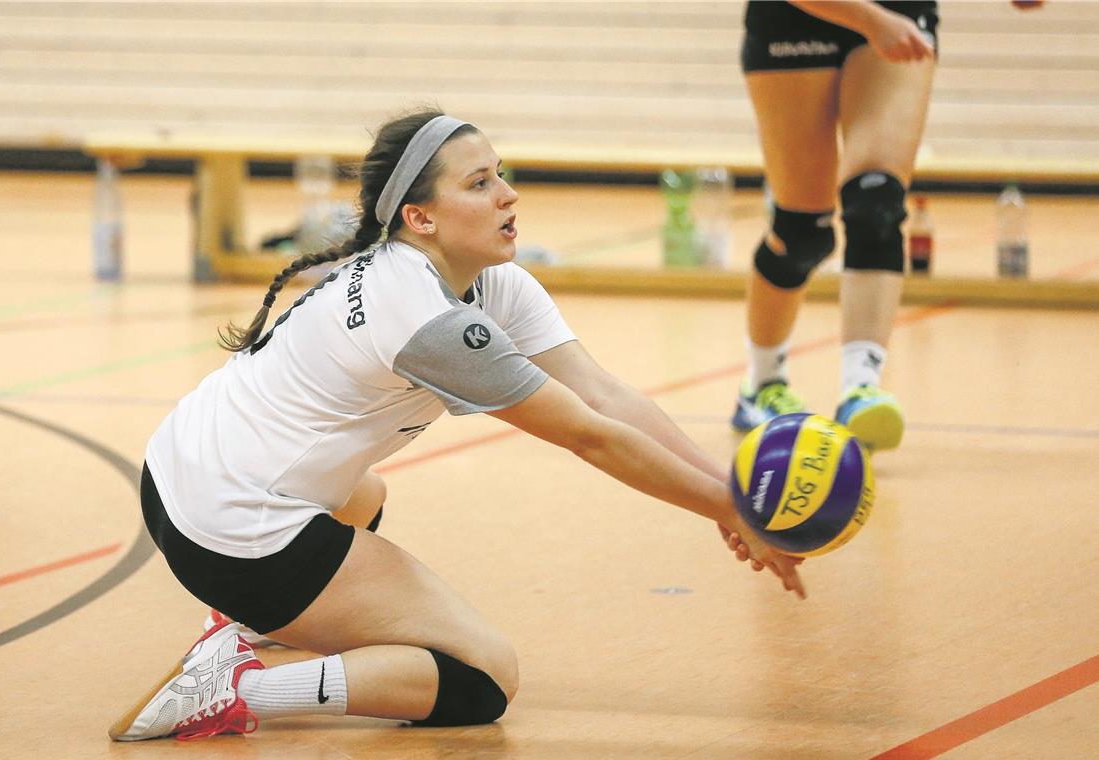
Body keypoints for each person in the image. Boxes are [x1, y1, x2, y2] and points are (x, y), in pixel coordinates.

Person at [109, 110, 806, 742]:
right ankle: (236, 688)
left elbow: (604, 395)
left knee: (366, 495)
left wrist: (731, 495)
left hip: (174, 473)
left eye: (501, 175)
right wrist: (731, 510)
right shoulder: (428, 318)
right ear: (421, 217)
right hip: (233, 533)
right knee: (483, 676)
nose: (507, 195)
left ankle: (249, 623)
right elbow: (589, 434)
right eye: (479, 183)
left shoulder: (487, 280)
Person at [732, 0, 1043, 449]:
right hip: (796, 15)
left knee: (875, 203)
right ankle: (762, 384)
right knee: (802, 232)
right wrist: (868, 20)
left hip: (899, 6)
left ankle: (861, 387)